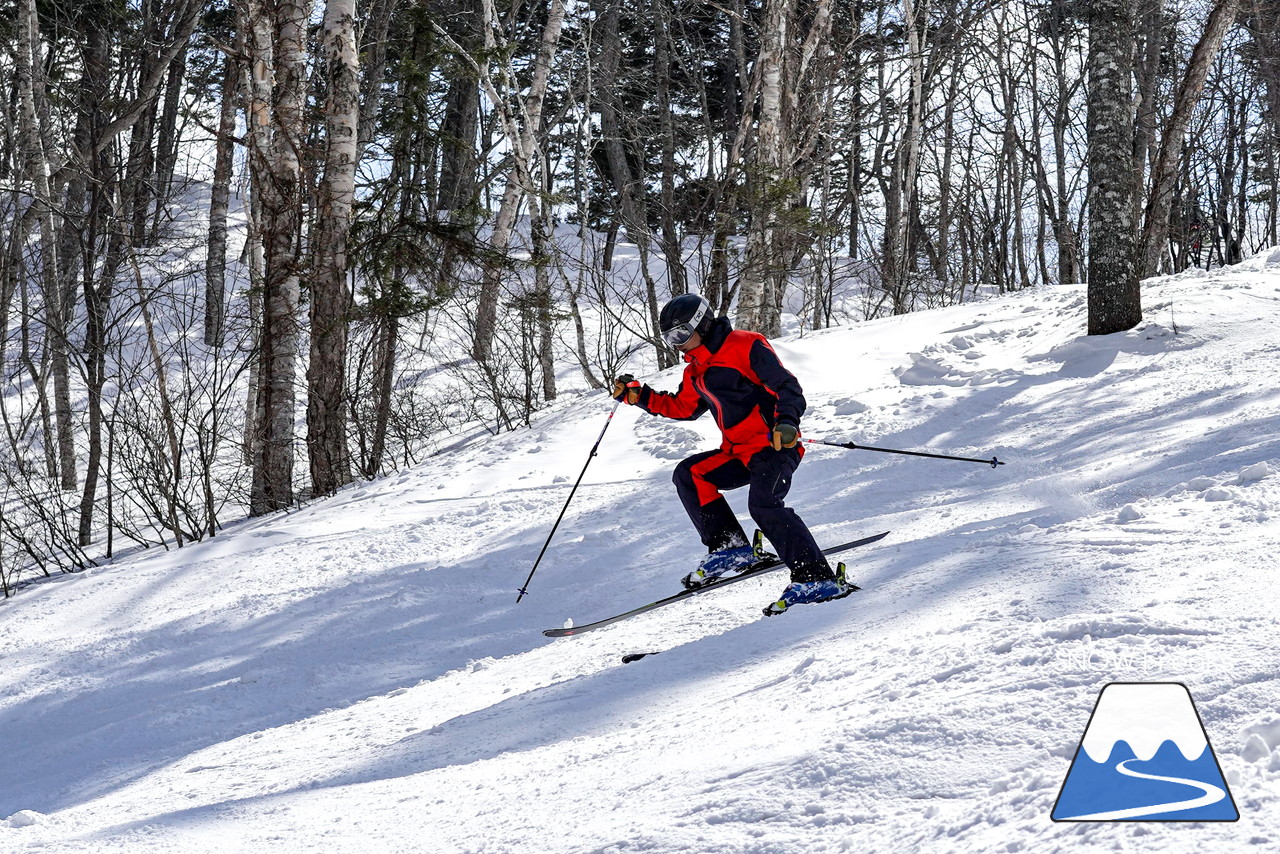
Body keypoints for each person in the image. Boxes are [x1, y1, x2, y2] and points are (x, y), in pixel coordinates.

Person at [612, 293, 853, 616]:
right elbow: (684, 408)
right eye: (669, 337)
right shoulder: (695, 369)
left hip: (774, 447)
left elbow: (787, 387)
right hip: (737, 453)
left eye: (681, 334)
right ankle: (730, 547)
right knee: (691, 474)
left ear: (702, 323)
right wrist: (638, 396)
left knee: (764, 504)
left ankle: (816, 578)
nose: (676, 343)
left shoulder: (745, 345)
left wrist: (786, 422)